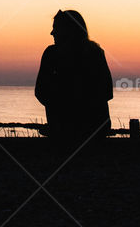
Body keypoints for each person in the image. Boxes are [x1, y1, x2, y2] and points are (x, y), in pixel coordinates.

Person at [34, 9, 113, 140]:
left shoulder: (52, 54)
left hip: (75, 129)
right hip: (91, 128)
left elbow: (41, 91)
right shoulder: (95, 52)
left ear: (68, 30)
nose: (52, 33)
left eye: (56, 28)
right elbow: (106, 92)